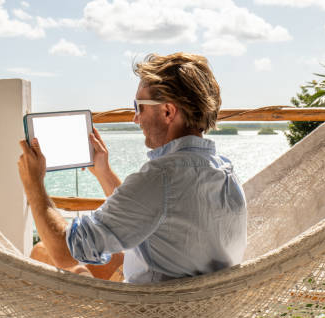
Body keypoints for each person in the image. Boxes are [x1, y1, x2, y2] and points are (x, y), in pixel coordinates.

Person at [18, 52, 247, 283]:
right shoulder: (225, 172)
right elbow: (153, 211)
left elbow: (65, 251)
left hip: (148, 312)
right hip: (200, 308)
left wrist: (33, 183)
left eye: (139, 107)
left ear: (167, 111)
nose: (135, 119)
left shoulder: (160, 177)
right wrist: (104, 173)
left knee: (44, 252)